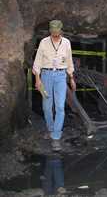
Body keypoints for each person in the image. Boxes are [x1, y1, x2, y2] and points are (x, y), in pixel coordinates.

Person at [32, 20, 76, 151]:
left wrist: (72, 78)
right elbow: (37, 61)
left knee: (60, 107)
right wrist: (37, 79)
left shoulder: (66, 43)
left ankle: (56, 137)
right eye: (53, 32)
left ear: (61, 30)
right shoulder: (44, 42)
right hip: (46, 75)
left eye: (57, 32)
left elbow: (69, 61)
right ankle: (51, 129)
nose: (55, 34)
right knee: (46, 106)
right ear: (50, 31)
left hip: (61, 76)